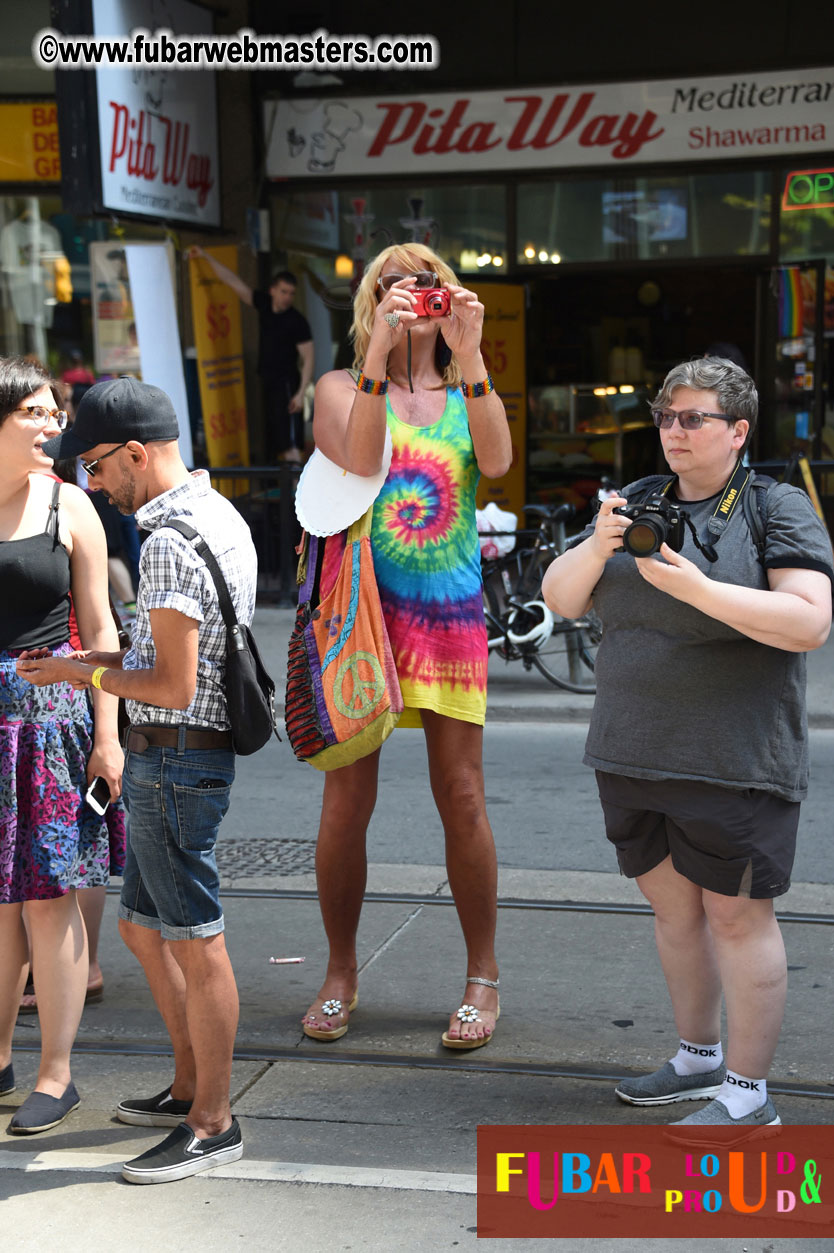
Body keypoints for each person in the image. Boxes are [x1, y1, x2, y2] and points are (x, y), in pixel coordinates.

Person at [542, 356, 832, 1136]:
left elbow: (809, 621)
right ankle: (698, 1056)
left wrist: (697, 588)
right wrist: (599, 545)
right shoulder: (636, 500)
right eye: (667, 416)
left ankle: (748, 1090)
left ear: (737, 431)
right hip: (633, 750)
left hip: (734, 755)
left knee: (739, 919)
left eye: (693, 417)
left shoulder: (775, 508)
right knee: (673, 913)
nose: (674, 430)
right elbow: (562, 597)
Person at [18, 376, 257, 1183]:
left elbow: (172, 685)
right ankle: (190, 1083)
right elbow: (159, 660)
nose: (94, 484)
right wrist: (85, 662)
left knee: (195, 938)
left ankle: (212, 1119)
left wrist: (95, 683)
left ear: (134, 452)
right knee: (143, 927)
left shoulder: (164, 540)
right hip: (183, 750)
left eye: (97, 465)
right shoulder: (213, 510)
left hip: (179, 750)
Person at [300, 242, 512, 1050]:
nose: (408, 294)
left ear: (445, 293)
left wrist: (472, 352)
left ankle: (482, 975)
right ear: (371, 300)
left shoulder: (469, 385)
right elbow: (356, 457)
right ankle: (340, 970)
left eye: (422, 283)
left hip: (449, 618)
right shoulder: (341, 386)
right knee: (346, 802)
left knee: (462, 796)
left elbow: (496, 460)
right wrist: (379, 357)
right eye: (390, 285)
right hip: (362, 621)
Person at [0, 357, 124, 1134]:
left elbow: (103, 628)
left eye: (57, 413)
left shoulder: (71, 506)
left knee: (49, 902)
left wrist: (107, 737)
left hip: (51, 718)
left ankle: (57, 1071)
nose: (54, 426)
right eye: (36, 414)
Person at [188, 247, 313, 463]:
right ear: (273, 290)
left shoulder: (297, 321)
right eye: (284, 292)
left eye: (291, 293)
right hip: (267, 380)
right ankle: (283, 488)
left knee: (290, 442)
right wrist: (206, 257)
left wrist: (301, 393)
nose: (287, 297)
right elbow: (233, 282)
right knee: (274, 440)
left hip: (287, 384)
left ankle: (295, 492)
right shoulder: (264, 304)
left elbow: (309, 358)